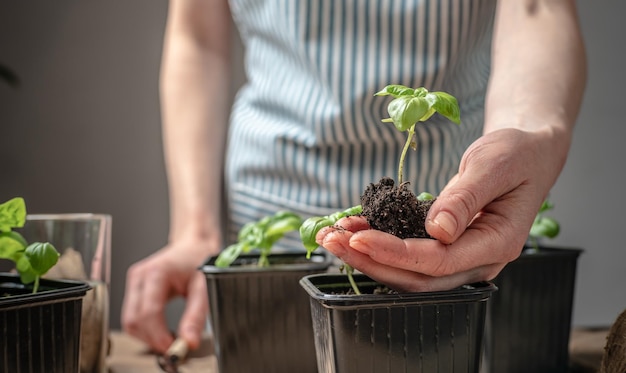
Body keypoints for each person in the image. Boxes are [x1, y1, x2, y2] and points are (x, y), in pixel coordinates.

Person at [122, 0, 587, 354]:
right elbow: (196, 35)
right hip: (273, 207)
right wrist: (194, 230)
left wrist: (531, 134)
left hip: (453, 215)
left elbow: (536, 9)